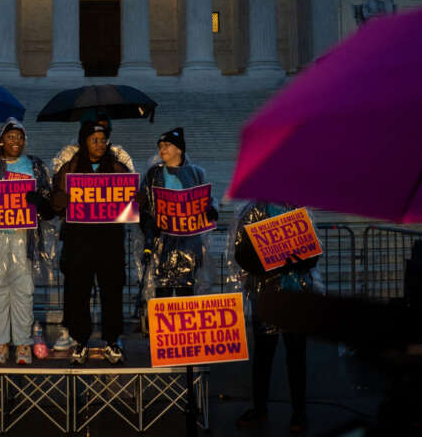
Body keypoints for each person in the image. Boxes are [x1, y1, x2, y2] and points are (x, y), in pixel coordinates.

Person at [0, 117, 55, 364]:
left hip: (22, 240)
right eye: (11, 136)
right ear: (1, 140)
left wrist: (39, 202)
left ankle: (23, 344)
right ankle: (1, 342)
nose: (16, 141)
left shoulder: (34, 166)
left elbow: (49, 206)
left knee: (23, 291)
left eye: (20, 137)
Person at [48, 110, 134, 352]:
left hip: (110, 241)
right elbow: (55, 203)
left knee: (112, 290)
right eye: (94, 140)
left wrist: (137, 200)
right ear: (84, 141)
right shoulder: (70, 167)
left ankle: (111, 339)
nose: (100, 144)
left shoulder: (118, 167)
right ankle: (80, 338)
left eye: (103, 140)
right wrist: (60, 200)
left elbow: (130, 201)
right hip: (79, 241)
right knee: (78, 291)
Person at [233, 201, 320, 433]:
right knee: (264, 355)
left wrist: (289, 259)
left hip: (295, 295)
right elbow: (241, 253)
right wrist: (272, 263)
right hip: (266, 295)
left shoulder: (300, 211)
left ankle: (299, 413)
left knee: (296, 356)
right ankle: (260, 408)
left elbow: (313, 255)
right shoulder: (253, 211)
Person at [138, 127, 218, 298]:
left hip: (189, 243)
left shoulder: (196, 173)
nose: (162, 149)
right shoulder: (154, 173)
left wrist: (210, 210)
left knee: (186, 291)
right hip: (162, 242)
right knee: (162, 291)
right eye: (160, 146)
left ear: (179, 149)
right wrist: (148, 224)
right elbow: (143, 207)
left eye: (167, 145)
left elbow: (207, 199)